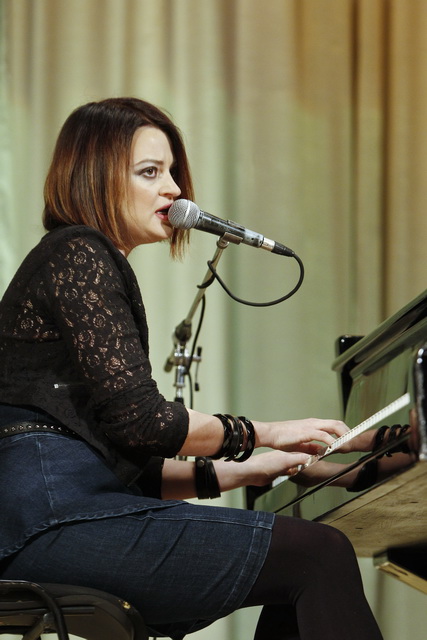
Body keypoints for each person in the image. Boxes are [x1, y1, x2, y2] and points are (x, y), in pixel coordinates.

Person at [0, 97, 384, 640]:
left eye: (173, 171)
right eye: (150, 172)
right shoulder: (78, 253)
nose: (176, 189)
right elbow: (145, 423)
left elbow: (130, 463)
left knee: (298, 560)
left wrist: (259, 467)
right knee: (317, 554)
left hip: (55, 517)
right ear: (95, 176)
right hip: (48, 522)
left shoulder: (76, 259)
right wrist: (266, 432)